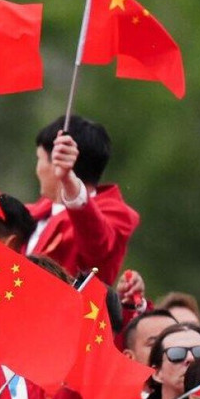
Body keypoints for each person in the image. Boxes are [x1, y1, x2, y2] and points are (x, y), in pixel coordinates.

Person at [23, 114, 137, 284]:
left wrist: (68, 179)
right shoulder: (35, 213)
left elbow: (97, 246)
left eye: (39, 159)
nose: (37, 169)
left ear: (56, 163)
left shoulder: (115, 217)